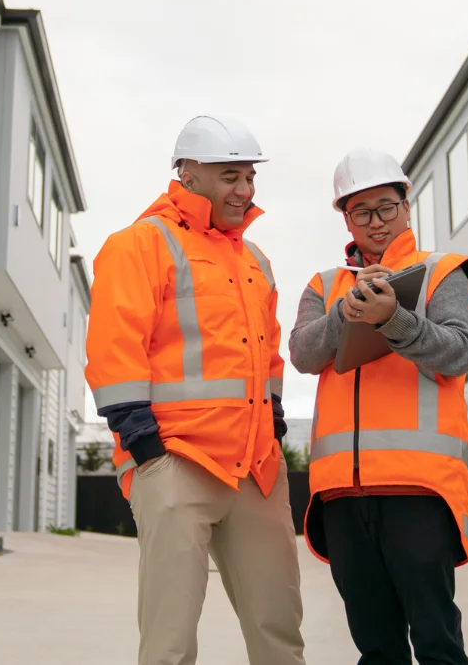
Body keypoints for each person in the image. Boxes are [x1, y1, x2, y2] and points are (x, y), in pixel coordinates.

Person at [86, 114, 306, 665]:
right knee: (170, 641)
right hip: (177, 461)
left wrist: (273, 430)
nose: (245, 190)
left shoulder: (255, 260)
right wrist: (146, 450)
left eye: (250, 178)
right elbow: (114, 350)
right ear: (188, 173)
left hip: (255, 468)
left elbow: (270, 356)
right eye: (231, 176)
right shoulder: (141, 244)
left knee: (278, 631)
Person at [289, 148, 468, 665]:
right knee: (375, 645)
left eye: (385, 207)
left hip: (418, 487)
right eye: (361, 212)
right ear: (345, 216)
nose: (375, 222)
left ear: (406, 203)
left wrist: (393, 318)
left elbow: (459, 352)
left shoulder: (443, 272)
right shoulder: (325, 285)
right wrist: (344, 315)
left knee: (437, 639)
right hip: (342, 493)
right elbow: (304, 354)